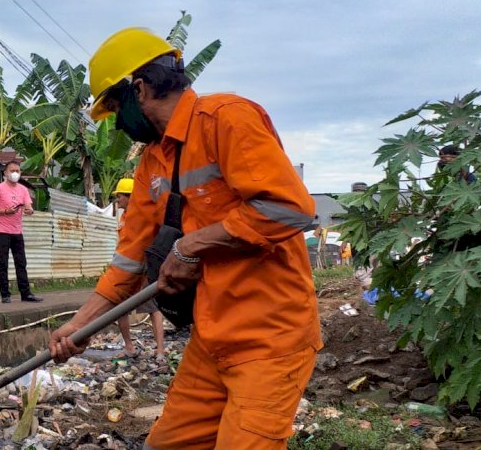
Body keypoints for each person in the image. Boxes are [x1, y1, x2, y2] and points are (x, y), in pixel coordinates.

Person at [48, 27, 321, 448]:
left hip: (269, 338)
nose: (119, 125)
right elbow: (131, 259)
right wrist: (80, 326)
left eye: (116, 110)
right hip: (211, 339)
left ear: (139, 90)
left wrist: (191, 246)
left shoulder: (226, 119)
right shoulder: (151, 164)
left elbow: (291, 208)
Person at [109, 178, 166, 363]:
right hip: (127, 271)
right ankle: (129, 347)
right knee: (120, 309)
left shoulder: (142, 217)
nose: (118, 200)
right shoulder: (125, 217)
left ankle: (160, 351)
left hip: (144, 270)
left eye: (120, 196)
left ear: (130, 197)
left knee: (154, 309)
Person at [0, 161, 42, 304]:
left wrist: (30, 210)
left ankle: (26, 293)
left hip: (17, 232)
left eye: (17, 170)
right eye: (12, 170)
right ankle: (5, 295)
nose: (15, 173)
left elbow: (28, 206)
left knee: (21, 263)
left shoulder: (23, 190)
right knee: (3, 263)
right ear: (5, 173)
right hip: (1, 232)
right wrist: (5, 211)